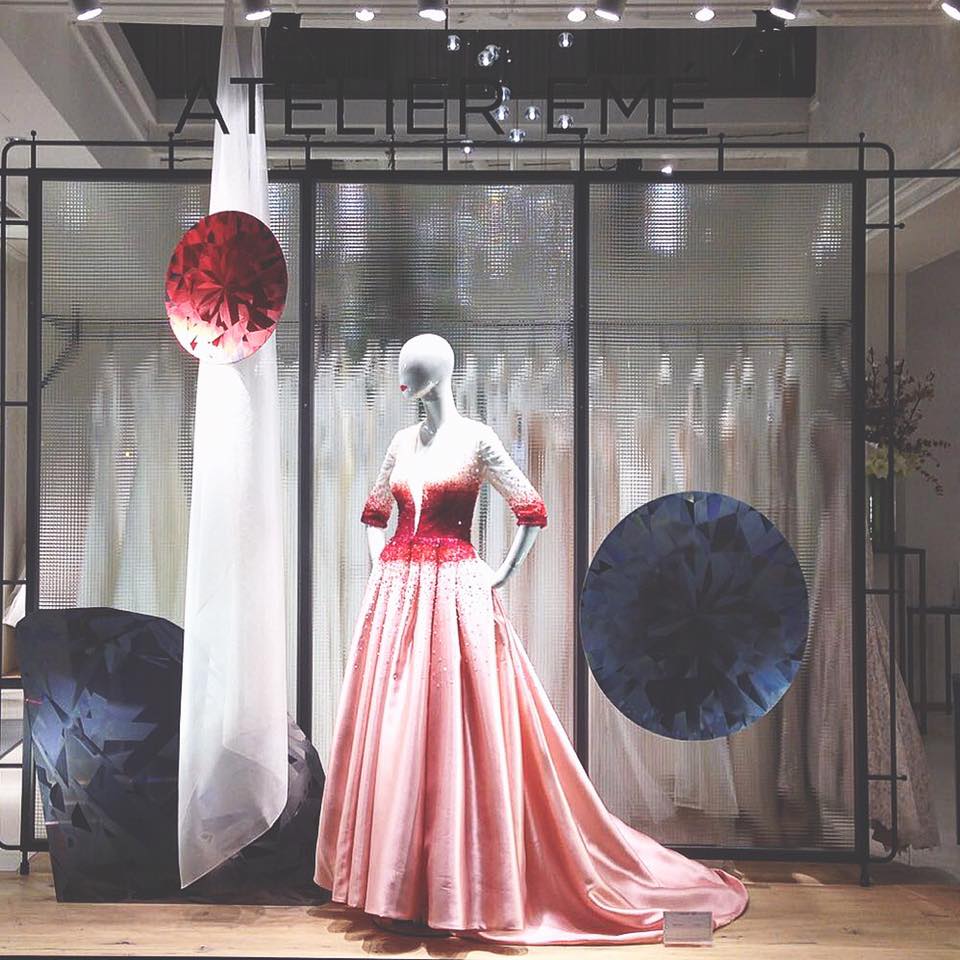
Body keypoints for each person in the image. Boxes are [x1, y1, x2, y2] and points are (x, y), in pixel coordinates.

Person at [314, 333, 748, 944]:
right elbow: (373, 513)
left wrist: (499, 572)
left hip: (455, 595)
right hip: (398, 598)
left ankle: (455, 884)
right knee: (399, 728)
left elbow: (531, 510)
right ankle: (398, 882)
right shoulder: (401, 443)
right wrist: (379, 563)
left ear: (438, 375)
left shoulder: (477, 440)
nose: (403, 379)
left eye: (413, 368)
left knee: (455, 728)